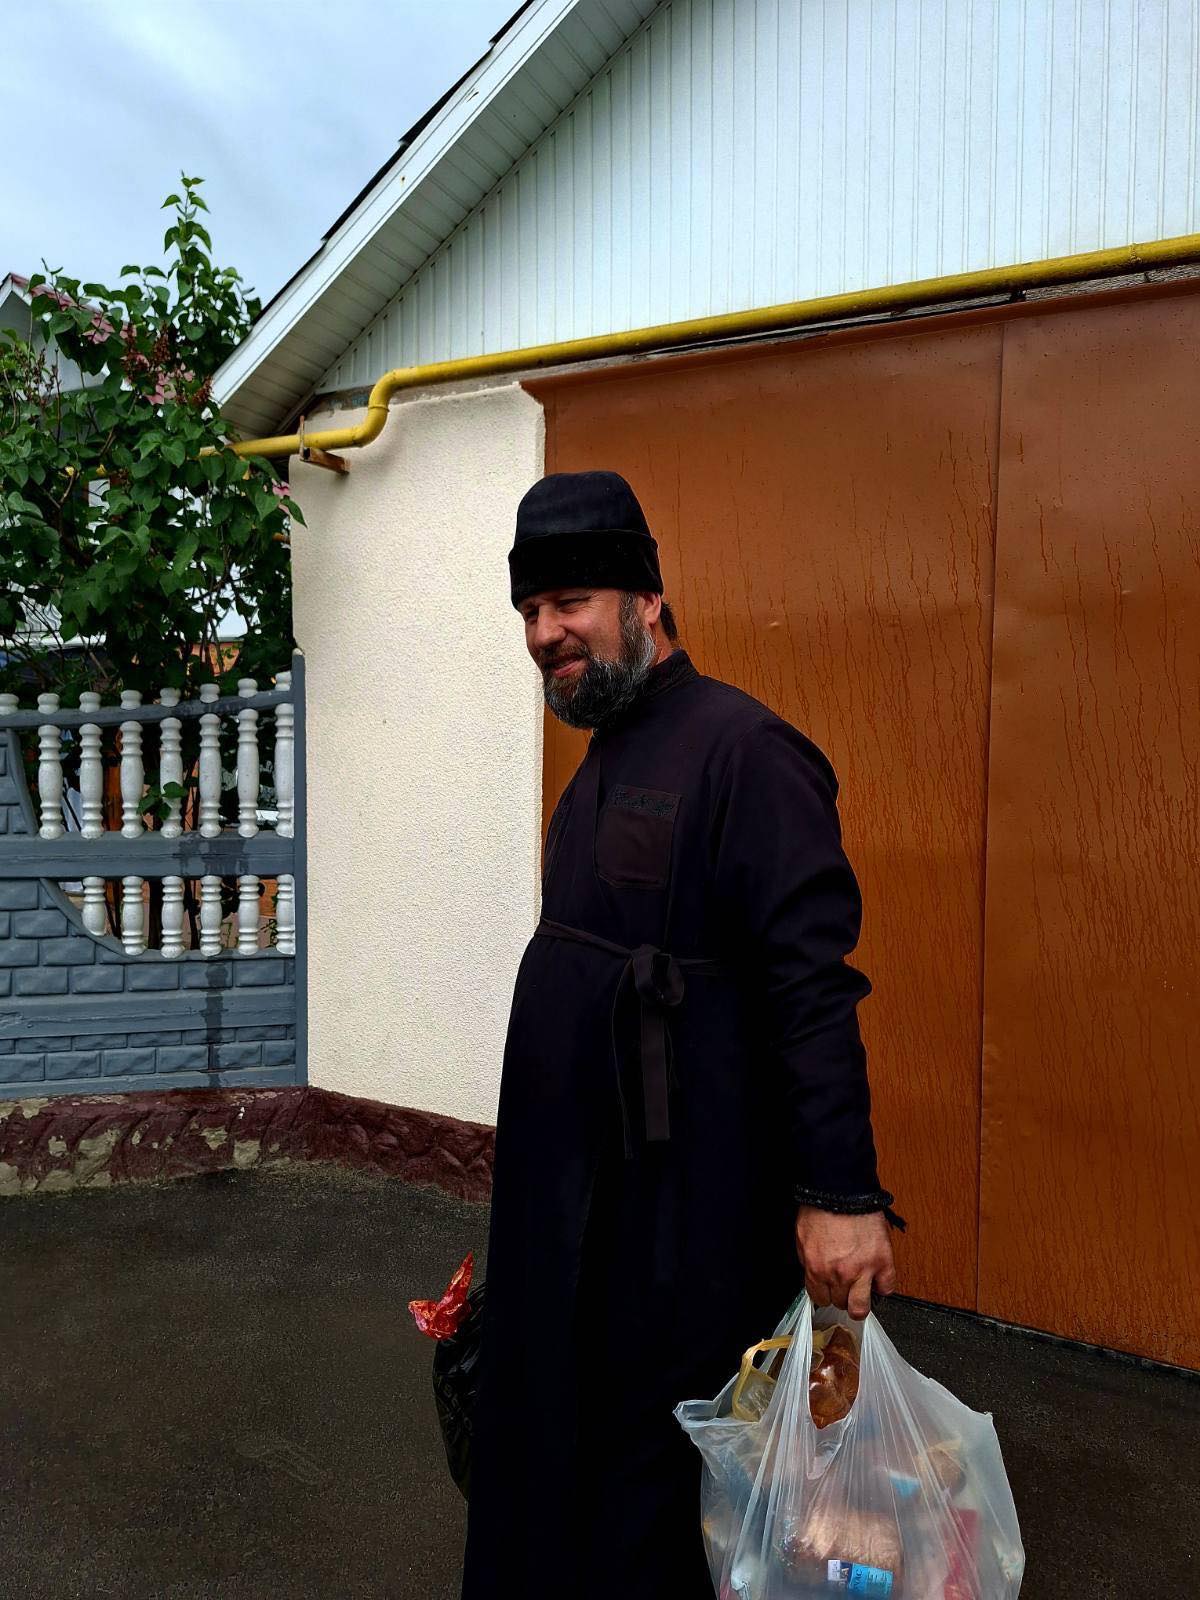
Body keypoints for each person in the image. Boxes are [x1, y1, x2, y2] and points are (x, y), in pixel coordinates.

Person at [461, 470, 901, 1599]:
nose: (545, 633)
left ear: (646, 599)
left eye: (570, 601)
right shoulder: (605, 756)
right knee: (567, 1464)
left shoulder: (749, 754)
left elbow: (813, 988)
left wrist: (842, 1195)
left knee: (658, 1496)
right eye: (529, 610)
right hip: (579, 1220)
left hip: (684, 1230)